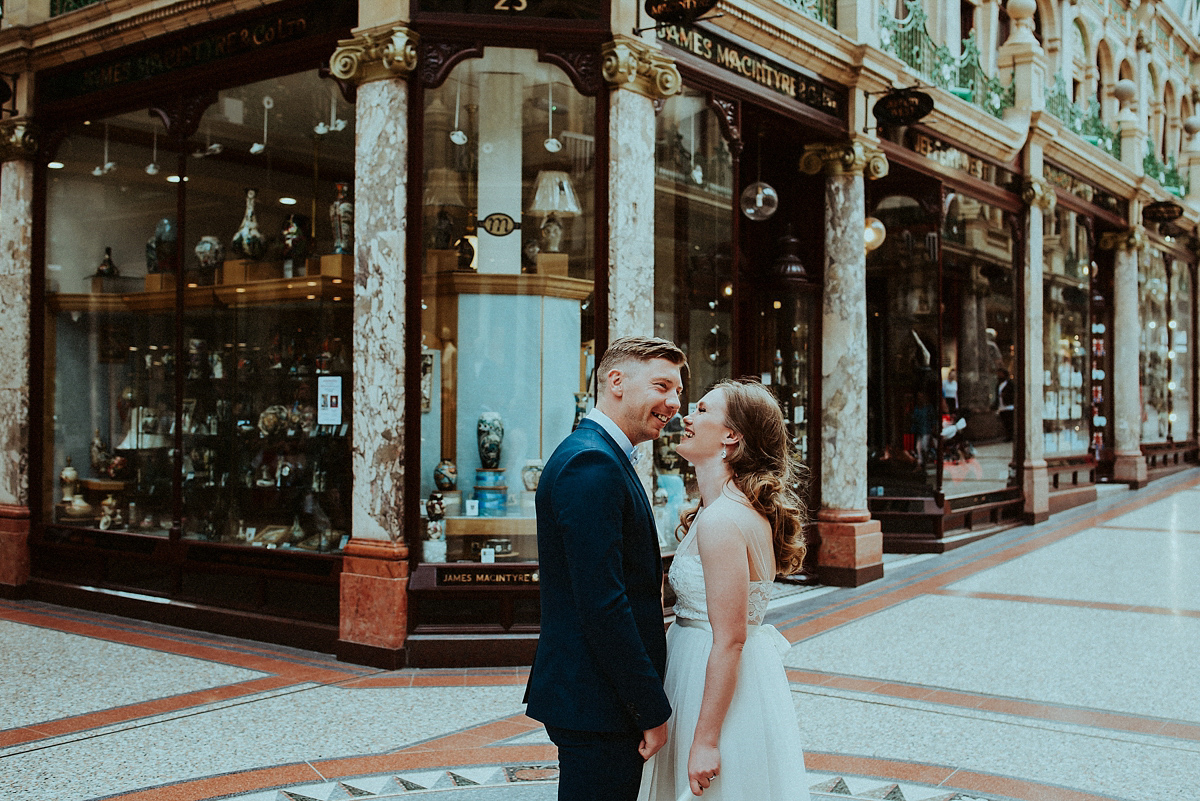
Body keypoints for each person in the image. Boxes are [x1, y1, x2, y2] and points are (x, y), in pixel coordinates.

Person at [525, 336, 687, 801]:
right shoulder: (592, 462)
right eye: (661, 386)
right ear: (616, 381)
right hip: (598, 700)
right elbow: (604, 603)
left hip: (598, 697)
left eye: (677, 392)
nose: (673, 403)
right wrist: (650, 709)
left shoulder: (602, 454)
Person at [638, 379, 811, 801]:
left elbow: (731, 638)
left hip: (710, 679)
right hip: (701, 668)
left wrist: (706, 740)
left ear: (731, 436)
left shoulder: (723, 521)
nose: (686, 417)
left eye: (700, 410)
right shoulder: (717, 511)